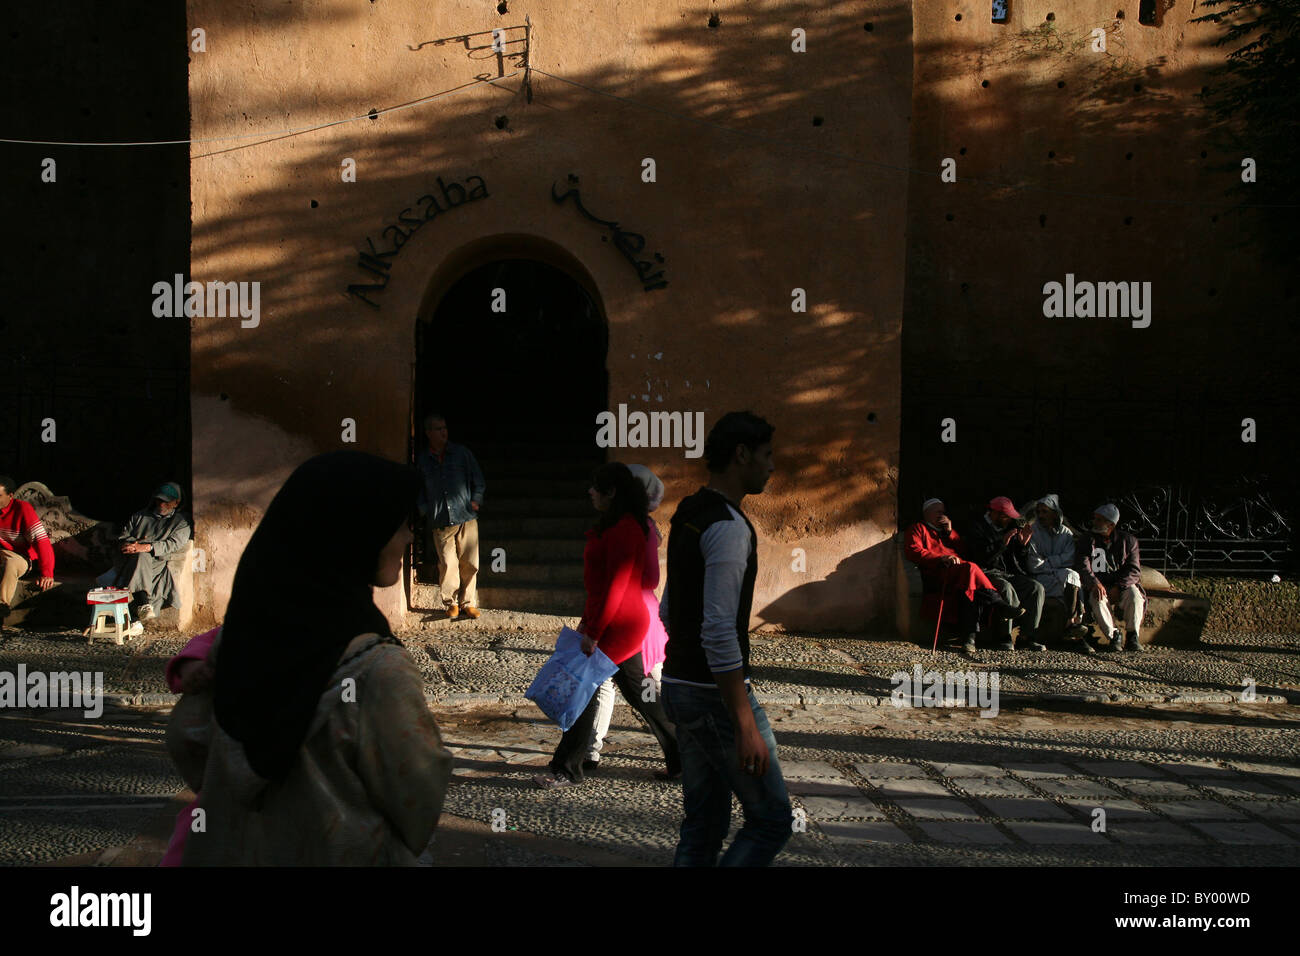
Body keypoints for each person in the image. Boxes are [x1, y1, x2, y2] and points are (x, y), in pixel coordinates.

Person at [182, 451, 453, 865]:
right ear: (356, 532)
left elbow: (188, 741)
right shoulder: (378, 668)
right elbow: (417, 797)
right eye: (399, 524)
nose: (409, 538)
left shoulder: (243, 633)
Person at [660, 411, 791, 867]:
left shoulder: (689, 512)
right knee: (773, 819)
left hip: (679, 685)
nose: (772, 466)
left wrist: (682, 664)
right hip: (711, 695)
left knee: (703, 824)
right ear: (741, 455)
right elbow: (718, 631)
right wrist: (745, 723)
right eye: (767, 455)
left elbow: (668, 609)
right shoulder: (729, 528)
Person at [533, 462, 680, 788]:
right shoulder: (620, 525)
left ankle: (566, 769)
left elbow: (617, 586)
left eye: (596, 487)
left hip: (621, 626)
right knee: (641, 695)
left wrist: (595, 632)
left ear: (611, 493)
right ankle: (684, 758)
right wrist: (591, 623)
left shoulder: (626, 529)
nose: (589, 492)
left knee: (583, 690)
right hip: (618, 623)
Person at [583, 463, 671, 775]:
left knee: (619, 684)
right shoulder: (645, 528)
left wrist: (592, 627)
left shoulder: (628, 529)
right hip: (640, 610)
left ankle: (587, 751)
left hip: (627, 614)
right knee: (641, 684)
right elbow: (651, 577)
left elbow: (629, 579)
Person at [902, 497, 1014, 656]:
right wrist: (941, 558)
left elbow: (964, 552)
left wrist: (951, 533)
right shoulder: (918, 528)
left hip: (961, 573)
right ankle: (997, 603)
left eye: (944, 512)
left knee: (971, 589)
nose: (943, 515)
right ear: (928, 513)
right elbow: (914, 551)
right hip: (939, 571)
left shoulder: (948, 532)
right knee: (971, 567)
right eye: (939, 512)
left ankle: (970, 638)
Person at [415, 412, 485, 620]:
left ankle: (468, 602)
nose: (443, 432)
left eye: (444, 427)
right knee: (447, 562)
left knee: (470, 562)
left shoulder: (461, 453)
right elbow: (418, 488)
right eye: (438, 429)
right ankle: (451, 603)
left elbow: (478, 478)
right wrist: (425, 509)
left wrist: (475, 500)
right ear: (428, 433)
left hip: (465, 515)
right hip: (440, 518)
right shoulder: (423, 460)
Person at [960, 497, 1045, 652]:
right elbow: (980, 558)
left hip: (1007, 573)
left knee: (1036, 588)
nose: (1008, 520)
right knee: (1006, 588)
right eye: (1006, 516)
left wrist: (1022, 546)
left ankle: (1028, 636)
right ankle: (1004, 636)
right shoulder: (977, 527)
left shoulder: (1010, 526)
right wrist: (1001, 544)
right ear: (995, 514)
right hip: (985, 574)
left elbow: (1016, 560)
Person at [110, 482, 192, 628]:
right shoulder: (139, 516)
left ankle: (139, 603)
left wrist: (146, 547)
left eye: (166, 501)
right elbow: (124, 537)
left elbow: (173, 544)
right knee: (140, 557)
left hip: (157, 565)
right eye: (159, 500)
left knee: (143, 555)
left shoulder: (181, 522)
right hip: (131, 562)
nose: (162, 504)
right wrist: (129, 545)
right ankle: (144, 604)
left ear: (176, 502)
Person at [1022, 494, 1091, 651]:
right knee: (1070, 580)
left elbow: (1070, 559)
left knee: (1072, 575)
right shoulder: (1034, 532)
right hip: (1041, 578)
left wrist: (1048, 561)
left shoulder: (1065, 533)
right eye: (1039, 512)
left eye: (1045, 512)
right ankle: (1074, 624)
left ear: (1054, 513)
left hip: (1061, 577)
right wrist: (1055, 563)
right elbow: (1034, 565)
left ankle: (1072, 624)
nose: (1041, 516)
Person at [1077, 503, 1146, 653]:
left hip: (1121, 584)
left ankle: (1133, 635)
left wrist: (1119, 586)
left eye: (1099, 520)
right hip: (1098, 584)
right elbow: (1083, 565)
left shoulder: (1128, 541)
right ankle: (1114, 636)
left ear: (1111, 524)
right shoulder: (1087, 540)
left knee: (1135, 596)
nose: (1095, 523)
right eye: (1095, 519)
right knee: (1098, 597)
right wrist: (1094, 582)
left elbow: (1134, 570)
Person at [0, 474, 55, 626]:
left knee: (11, 563)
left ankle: (1, 606)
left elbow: (41, 541)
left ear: (10, 496)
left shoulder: (22, 509)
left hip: (21, 556)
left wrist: (47, 573)